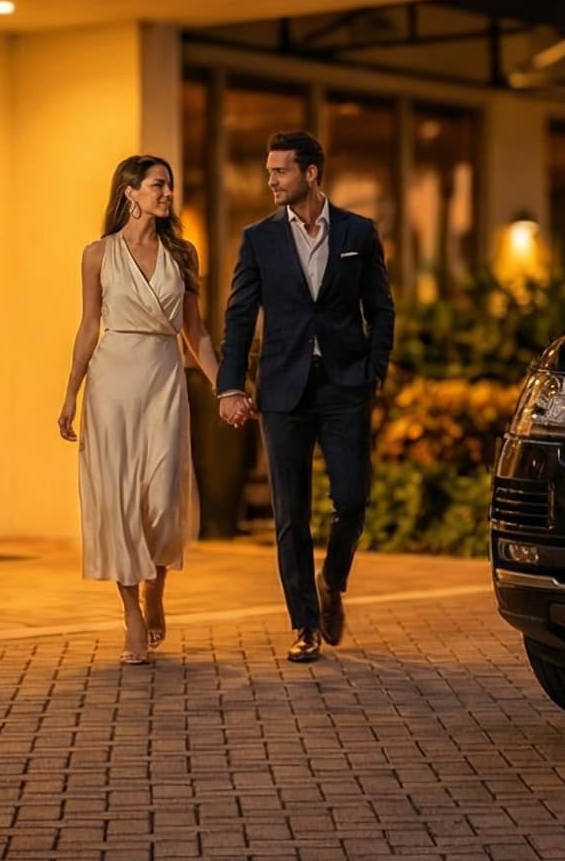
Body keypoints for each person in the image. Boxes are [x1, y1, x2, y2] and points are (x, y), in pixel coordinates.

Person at [216, 131, 395, 664]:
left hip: (344, 385)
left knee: (353, 499)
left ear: (311, 174)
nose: (270, 180)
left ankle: (331, 579)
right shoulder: (259, 239)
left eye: (280, 171)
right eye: (269, 171)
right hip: (283, 388)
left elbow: (380, 308)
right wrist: (231, 385)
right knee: (290, 513)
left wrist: (373, 372)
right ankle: (305, 625)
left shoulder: (359, 232)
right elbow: (240, 316)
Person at [59, 155, 222, 666]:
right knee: (121, 501)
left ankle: (157, 588)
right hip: (111, 383)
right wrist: (70, 393)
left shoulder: (182, 252)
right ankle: (131, 613)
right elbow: (89, 326)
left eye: (169, 186)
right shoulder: (97, 255)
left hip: (163, 379)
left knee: (160, 497)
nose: (167, 193)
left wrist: (227, 389)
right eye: (158, 185)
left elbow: (194, 332)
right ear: (130, 192)